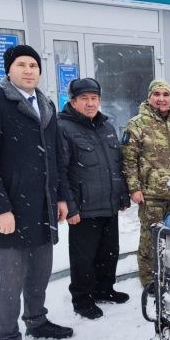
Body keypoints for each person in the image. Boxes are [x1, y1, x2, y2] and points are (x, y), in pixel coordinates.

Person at [0, 44, 73, 340]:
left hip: (42, 206)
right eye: (21, 65)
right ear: (8, 70)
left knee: (40, 272)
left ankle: (37, 321)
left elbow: (55, 157)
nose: (29, 70)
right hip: (11, 210)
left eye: (33, 65)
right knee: (11, 281)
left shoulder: (46, 104)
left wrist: (60, 197)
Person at [58, 78, 131, 320]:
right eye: (84, 99)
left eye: (94, 98)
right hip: (83, 208)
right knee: (83, 258)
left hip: (108, 204)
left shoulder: (107, 127)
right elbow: (61, 172)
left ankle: (104, 289)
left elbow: (116, 165)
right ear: (73, 101)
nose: (90, 103)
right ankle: (82, 299)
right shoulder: (63, 128)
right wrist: (70, 207)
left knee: (109, 252)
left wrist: (121, 195)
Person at [121, 79, 170, 290]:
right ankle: (149, 279)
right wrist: (134, 189)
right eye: (157, 94)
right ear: (149, 97)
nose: (161, 99)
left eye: (166, 94)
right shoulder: (137, 124)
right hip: (151, 195)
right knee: (150, 239)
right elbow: (128, 160)